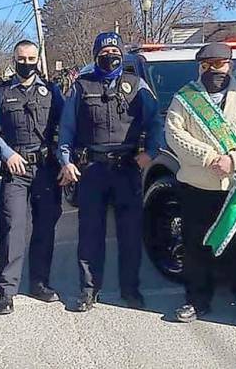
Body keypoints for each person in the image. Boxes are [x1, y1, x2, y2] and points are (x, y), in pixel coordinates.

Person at [165, 42, 236, 329]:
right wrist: (211, 157)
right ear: (199, 66)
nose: (213, 70)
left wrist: (235, 159)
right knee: (195, 247)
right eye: (207, 65)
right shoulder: (184, 98)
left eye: (219, 64)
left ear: (231, 65)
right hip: (197, 186)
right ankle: (197, 299)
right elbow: (175, 135)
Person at [58, 32, 161, 312]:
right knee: (90, 234)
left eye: (115, 50)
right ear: (95, 56)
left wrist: (149, 153)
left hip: (127, 168)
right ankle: (88, 290)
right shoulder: (81, 86)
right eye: (104, 52)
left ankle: (130, 290)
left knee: (129, 233)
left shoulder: (136, 85)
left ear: (122, 53)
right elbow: (66, 128)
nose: (110, 55)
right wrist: (66, 161)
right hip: (92, 170)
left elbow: (155, 123)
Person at [0, 40, 64, 314]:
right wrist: (7, 154)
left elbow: (65, 127)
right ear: (14, 59)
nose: (27, 63)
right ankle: (6, 291)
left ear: (38, 60)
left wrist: (65, 161)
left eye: (32, 58)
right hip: (15, 170)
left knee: (45, 227)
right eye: (22, 58)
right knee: (13, 228)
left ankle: (39, 283)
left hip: (46, 169)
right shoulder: (1, 93)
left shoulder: (52, 92)